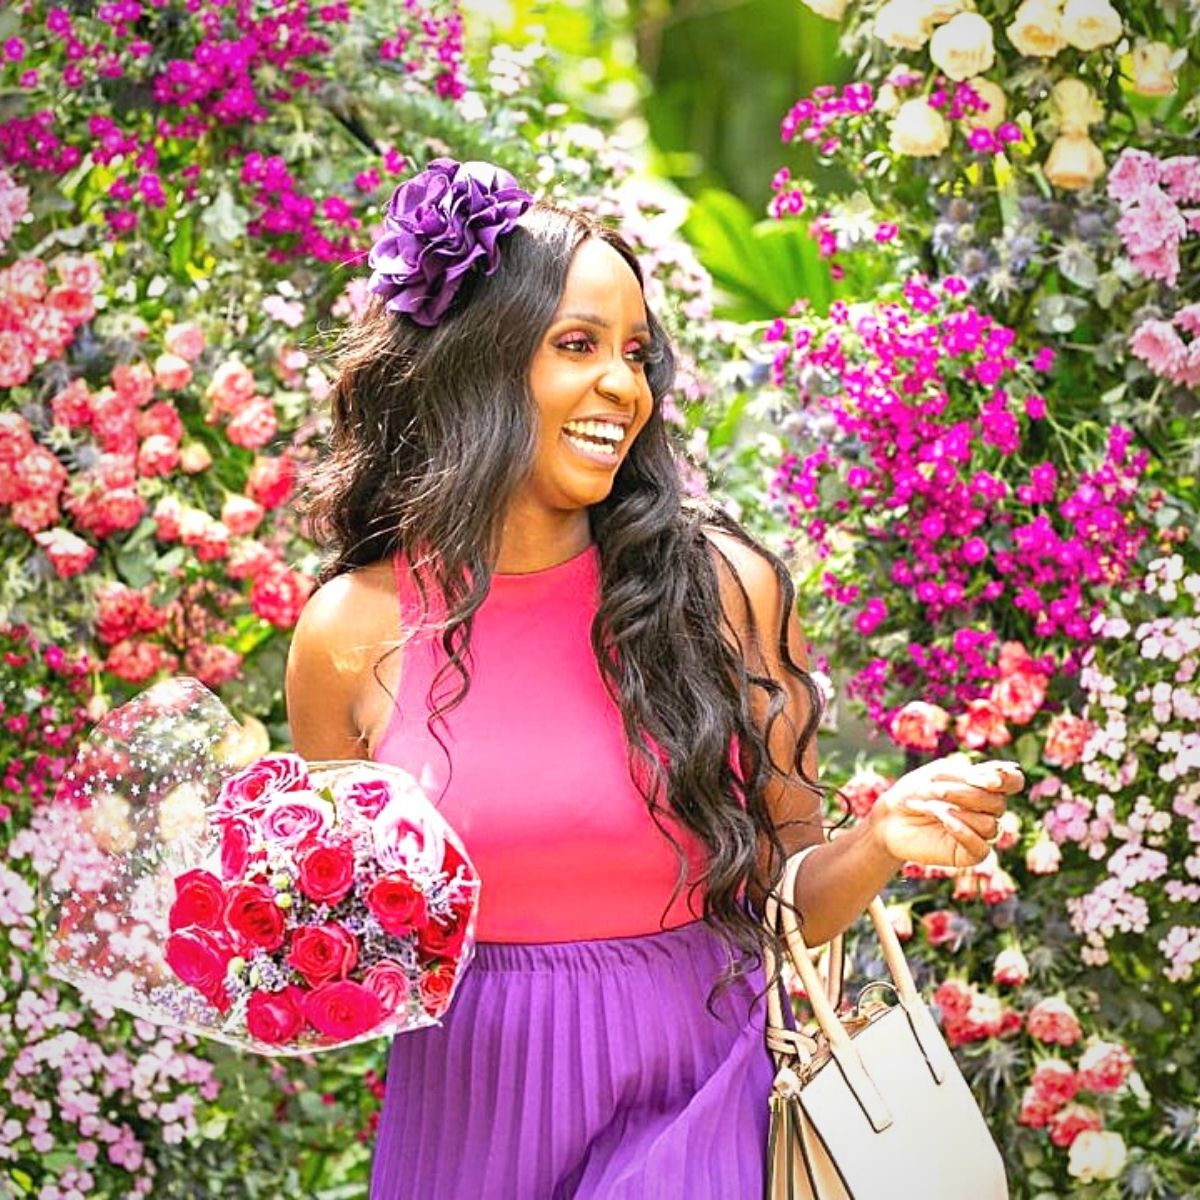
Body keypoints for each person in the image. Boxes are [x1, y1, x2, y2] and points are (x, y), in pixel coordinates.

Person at [285, 159, 1022, 1199]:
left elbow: (789, 899)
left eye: (636, 352)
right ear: (479, 366)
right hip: (468, 1125)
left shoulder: (724, 590)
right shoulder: (350, 630)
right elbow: (353, 951)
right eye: (577, 346)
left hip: (699, 1107)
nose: (624, 385)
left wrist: (880, 840)